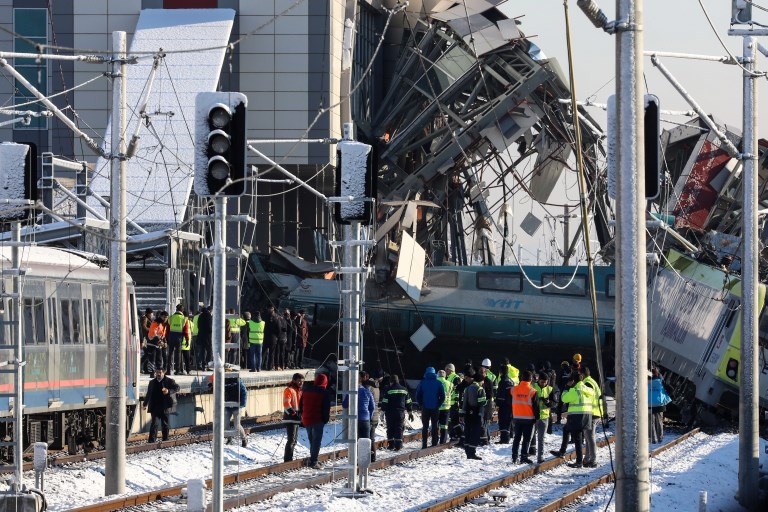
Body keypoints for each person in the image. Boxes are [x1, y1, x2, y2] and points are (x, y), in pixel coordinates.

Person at [560, 371, 594, 468]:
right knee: (566, 429)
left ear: (574, 381)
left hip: (576, 417)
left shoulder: (575, 390)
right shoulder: (588, 390)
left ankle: (578, 461)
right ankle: (562, 451)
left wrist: (567, 387)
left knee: (577, 439)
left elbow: (563, 398)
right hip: (587, 416)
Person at [300, 373, 331, 469]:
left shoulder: (306, 390)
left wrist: (302, 416)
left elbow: (301, 405)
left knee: (311, 440)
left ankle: (313, 458)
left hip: (307, 418)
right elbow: (326, 408)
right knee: (316, 441)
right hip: (318, 419)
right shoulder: (325, 392)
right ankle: (314, 461)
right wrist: (325, 419)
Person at [143, 367, 179, 442]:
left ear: (164, 373)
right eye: (157, 372)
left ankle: (165, 440)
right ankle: (151, 441)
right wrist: (145, 404)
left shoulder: (169, 381)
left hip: (165, 406)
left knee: (165, 424)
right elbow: (148, 394)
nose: (158, 374)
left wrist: (168, 391)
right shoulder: (152, 382)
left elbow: (177, 388)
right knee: (154, 424)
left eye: (160, 372)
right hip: (155, 406)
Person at [510, 370, 538, 464]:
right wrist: (537, 418)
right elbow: (536, 407)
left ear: (521, 378)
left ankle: (514, 457)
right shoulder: (533, 391)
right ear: (530, 380)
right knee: (526, 439)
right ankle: (523, 457)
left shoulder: (513, 389)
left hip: (517, 418)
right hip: (529, 419)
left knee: (516, 438)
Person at [343, 372, 376, 447]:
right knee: (365, 441)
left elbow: (345, 405)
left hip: (354, 420)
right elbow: (372, 407)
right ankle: (366, 457)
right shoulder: (368, 392)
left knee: (355, 441)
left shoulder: (351, 392)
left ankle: (356, 457)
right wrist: (369, 417)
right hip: (365, 419)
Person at [415, 366, 445, 448]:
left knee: (425, 426)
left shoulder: (422, 383)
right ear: (434, 373)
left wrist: (421, 404)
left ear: (426, 373)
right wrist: (438, 405)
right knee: (435, 426)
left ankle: (424, 444)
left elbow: (418, 396)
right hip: (435, 408)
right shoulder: (438, 383)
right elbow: (442, 397)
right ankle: (434, 443)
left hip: (425, 408)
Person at [459, 368, 486, 460]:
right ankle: (472, 453)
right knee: (475, 433)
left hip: (467, 413)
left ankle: (467, 451)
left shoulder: (467, 388)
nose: (483, 382)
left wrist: (462, 414)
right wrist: (481, 414)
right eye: (482, 381)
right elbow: (482, 403)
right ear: (480, 381)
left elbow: (464, 403)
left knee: (468, 432)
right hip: (476, 414)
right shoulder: (480, 389)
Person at [381, 374, 412, 451]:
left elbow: (385, 401)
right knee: (399, 428)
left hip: (390, 412)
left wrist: (382, 411)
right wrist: (410, 411)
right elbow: (408, 401)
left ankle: (391, 445)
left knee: (390, 427)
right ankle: (398, 445)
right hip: (400, 412)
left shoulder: (388, 390)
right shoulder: (404, 389)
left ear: (391, 381)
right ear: (398, 381)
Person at [530, 372, 554, 464]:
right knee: (530, 436)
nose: (544, 383)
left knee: (541, 438)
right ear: (538, 380)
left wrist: (548, 402)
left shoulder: (550, 389)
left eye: (545, 382)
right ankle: (526, 455)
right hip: (533, 416)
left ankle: (540, 457)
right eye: (542, 381)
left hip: (544, 416)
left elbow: (554, 403)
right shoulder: (533, 387)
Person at [581, 367, 603, 468]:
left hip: (592, 413)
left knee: (590, 437)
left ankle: (593, 460)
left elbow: (587, 398)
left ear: (582, 375)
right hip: (596, 412)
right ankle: (587, 458)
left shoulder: (587, 383)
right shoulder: (592, 381)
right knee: (588, 436)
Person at [221, 374, 248, 447]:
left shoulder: (238, 381)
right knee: (225, 424)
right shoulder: (224, 381)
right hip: (227, 406)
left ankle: (244, 439)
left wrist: (242, 404)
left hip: (236, 407)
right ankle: (229, 439)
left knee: (237, 425)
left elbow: (244, 392)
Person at [283, 373, 304, 461]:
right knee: (291, 440)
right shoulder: (289, 390)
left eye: (302, 381)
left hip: (295, 418)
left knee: (294, 440)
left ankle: (289, 459)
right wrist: (294, 414)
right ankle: (287, 460)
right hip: (290, 418)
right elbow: (286, 404)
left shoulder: (298, 391)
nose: (301, 383)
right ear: (294, 380)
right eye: (299, 381)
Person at [649, 367, 671, 444]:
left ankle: (653, 439)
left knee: (651, 422)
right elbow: (670, 389)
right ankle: (660, 437)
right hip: (659, 405)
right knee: (659, 421)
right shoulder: (661, 382)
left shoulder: (647, 382)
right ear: (657, 373)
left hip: (649, 404)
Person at [166, 305, 190, 375]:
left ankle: (168, 370)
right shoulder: (184, 319)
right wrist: (187, 340)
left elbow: (167, 330)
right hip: (179, 338)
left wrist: (167, 338)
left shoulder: (170, 318)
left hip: (171, 337)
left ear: (176, 309)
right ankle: (177, 370)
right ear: (182, 310)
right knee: (178, 354)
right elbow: (186, 331)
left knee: (170, 354)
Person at [362, 371, 380, 461]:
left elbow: (368, 404)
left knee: (367, 438)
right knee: (371, 438)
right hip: (375, 415)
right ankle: (373, 458)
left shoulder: (368, 388)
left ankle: (368, 458)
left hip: (370, 416)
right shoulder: (375, 387)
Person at [495, 364, 514, 444]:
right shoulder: (511, 381)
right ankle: (508, 437)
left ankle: (504, 439)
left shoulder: (502, 382)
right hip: (511, 405)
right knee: (508, 421)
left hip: (504, 405)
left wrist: (497, 404)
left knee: (502, 422)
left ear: (500, 372)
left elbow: (500, 395)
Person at [479, 359, 496, 446]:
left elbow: (490, 393)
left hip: (486, 403)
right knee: (485, 422)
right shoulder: (492, 376)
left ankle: (486, 439)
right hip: (488, 403)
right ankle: (487, 438)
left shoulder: (487, 380)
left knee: (484, 422)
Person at [146, 311, 168, 375]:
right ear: (160, 316)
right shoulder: (155, 323)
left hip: (158, 344)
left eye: (166, 317)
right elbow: (154, 334)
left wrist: (165, 342)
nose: (165, 319)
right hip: (152, 343)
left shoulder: (164, 324)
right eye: (164, 317)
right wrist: (160, 342)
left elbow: (162, 335)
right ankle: (151, 373)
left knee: (159, 359)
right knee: (152, 359)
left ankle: (159, 373)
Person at [444, 363, 461, 440]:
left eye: (447, 369)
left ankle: (459, 435)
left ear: (450, 370)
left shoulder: (455, 377)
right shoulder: (448, 378)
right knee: (451, 421)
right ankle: (454, 435)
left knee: (454, 421)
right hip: (449, 403)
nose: (445, 371)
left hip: (453, 403)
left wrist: (457, 401)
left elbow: (457, 390)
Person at [436, 370, 453, 444]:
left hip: (436, 407)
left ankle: (435, 441)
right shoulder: (450, 384)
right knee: (444, 426)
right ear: (445, 376)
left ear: (438, 375)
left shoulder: (435, 383)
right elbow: (451, 393)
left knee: (435, 425)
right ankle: (443, 442)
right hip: (446, 408)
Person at [196, 306, 213, 370]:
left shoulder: (200, 316)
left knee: (202, 351)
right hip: (207, 336)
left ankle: (203, 365)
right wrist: (211, 331)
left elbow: (198, 325)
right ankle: (208, 365)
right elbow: (209, 326)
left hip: (200, 335)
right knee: (209, 350)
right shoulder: (208, 315)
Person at [263, 306, 279, 371]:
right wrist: (277, 336)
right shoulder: (276, 318)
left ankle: (261, 365)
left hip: (266, 336)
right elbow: (279, 328)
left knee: (263, 352)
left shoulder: (265, 317)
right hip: (273, 338)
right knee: (271, 354)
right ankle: (269, 367)